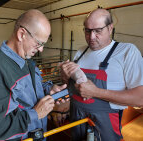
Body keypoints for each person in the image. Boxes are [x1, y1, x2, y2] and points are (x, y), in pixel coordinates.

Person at [0, 9, 66, 141]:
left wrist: (49, 90)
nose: (41, 49)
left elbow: (28, 90)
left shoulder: (27, 61)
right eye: (39, 43)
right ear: (21, 34)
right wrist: (35, 114)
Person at [60, 8, 143, 141]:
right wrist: (64, 75)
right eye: (87, 31)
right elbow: (68, 85)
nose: (91, 37)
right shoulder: (80, 52)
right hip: (76, 122)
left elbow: (140, 98)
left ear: (110, 28)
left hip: (104, 127)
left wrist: (96, 92)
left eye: (98, 31)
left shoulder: (127, 51)